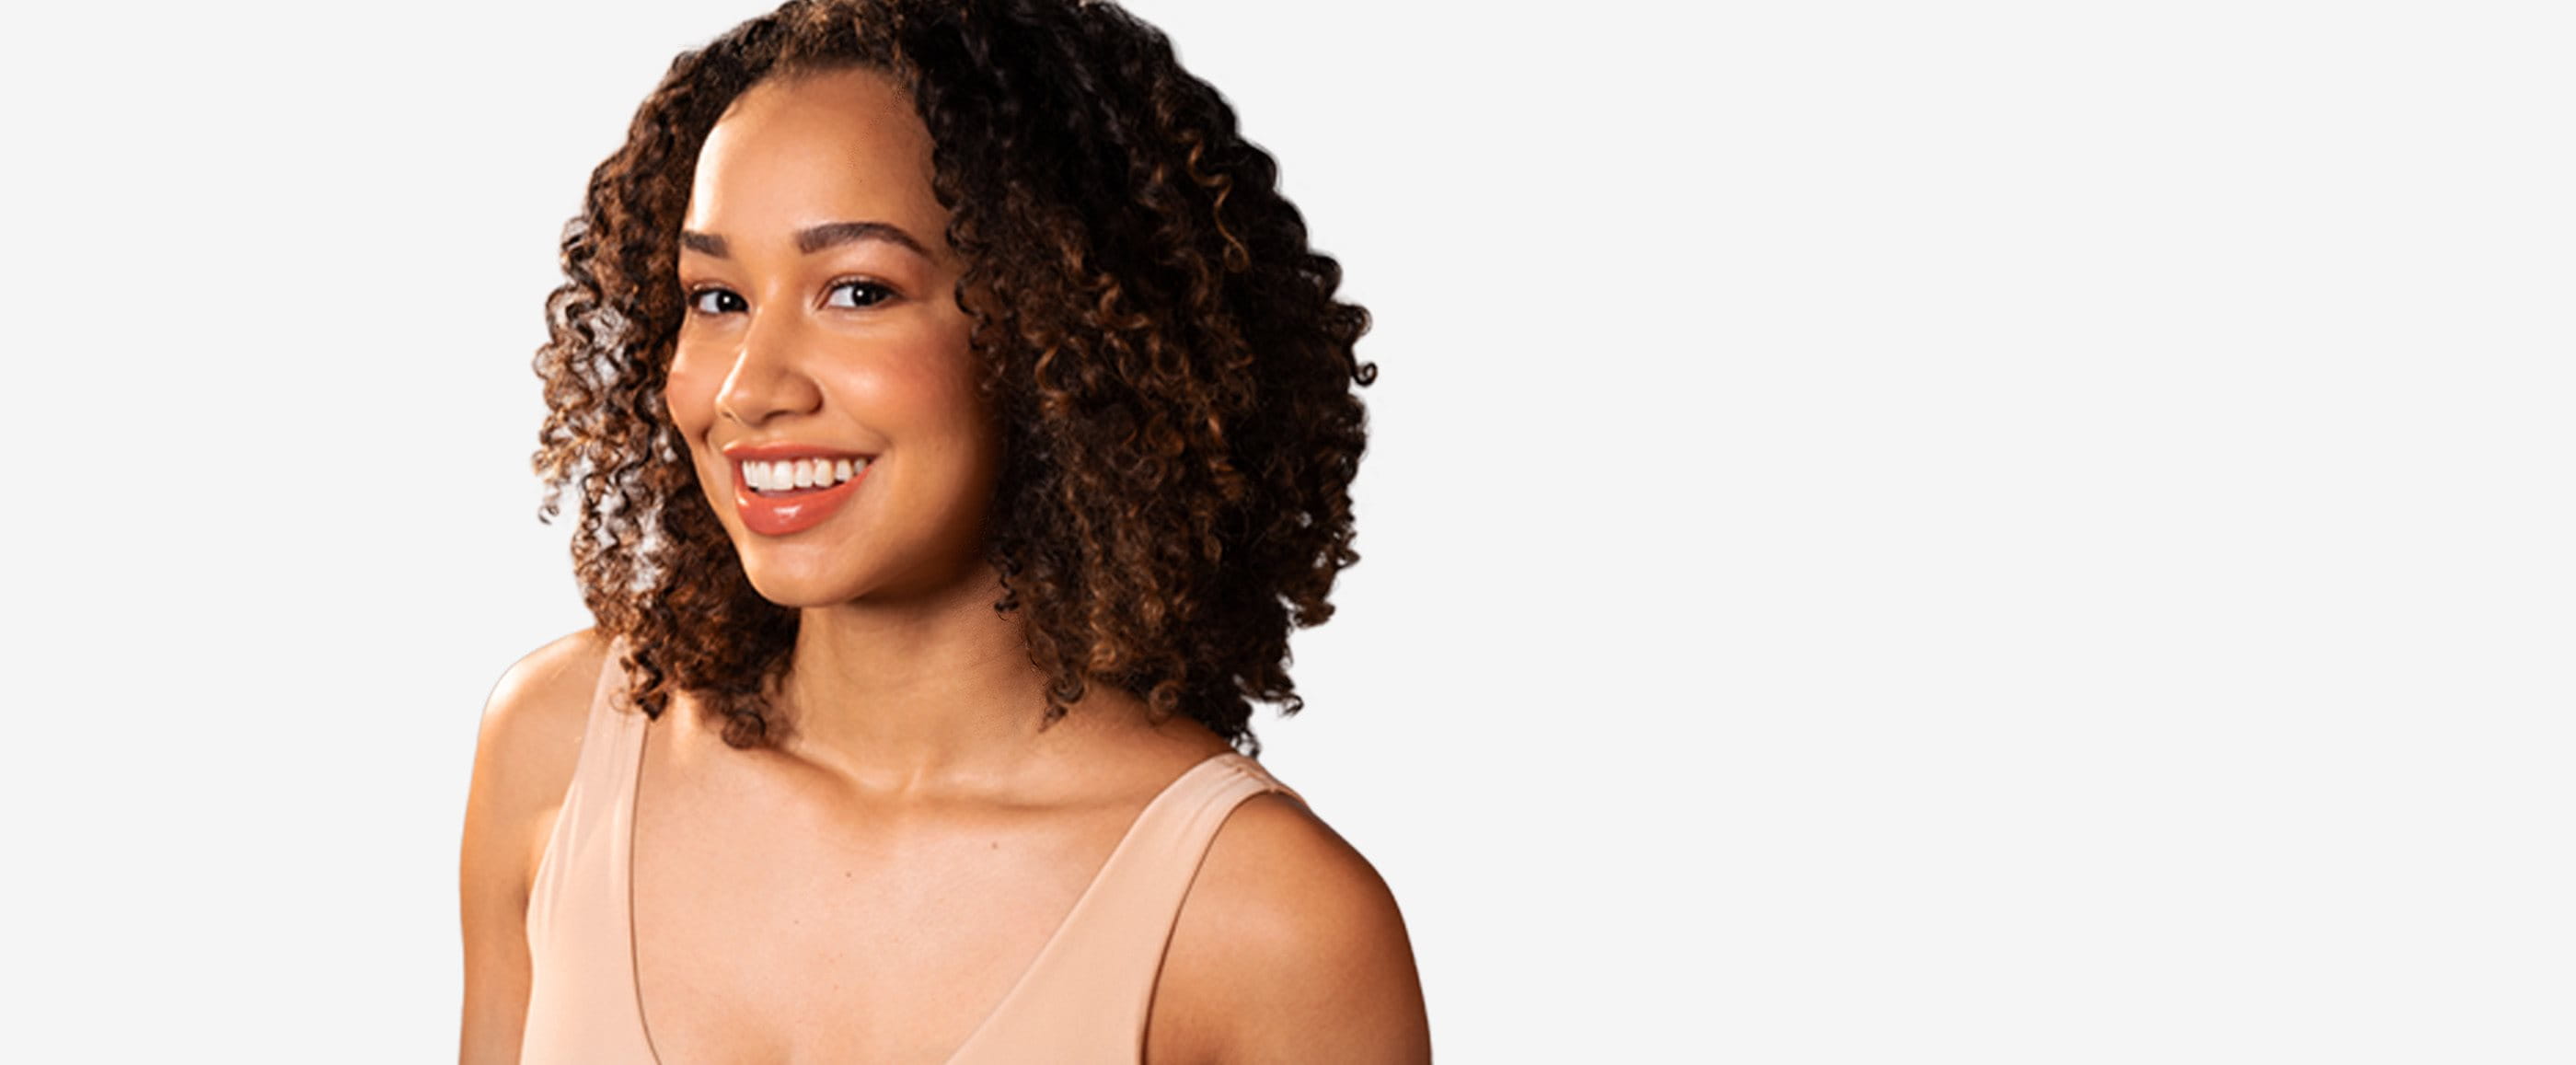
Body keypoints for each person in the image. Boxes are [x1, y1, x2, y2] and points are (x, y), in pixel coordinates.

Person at [456, 1, 1427, 1061]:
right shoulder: (558, 748)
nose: (748, 389)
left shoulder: (1261, 920)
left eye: (857, 290)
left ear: (1056, 335)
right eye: (718, 295)